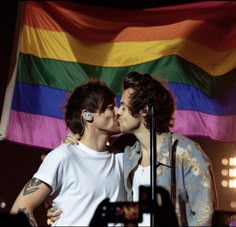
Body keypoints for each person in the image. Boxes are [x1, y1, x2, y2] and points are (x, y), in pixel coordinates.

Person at [48, 72, 217, 226]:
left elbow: (205, 217)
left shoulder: (185, 154)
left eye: (123, 106)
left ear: (144, 109)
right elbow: (89, 175)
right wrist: (76, 142)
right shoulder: (126, 154)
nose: (118, 112)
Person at [10, 79, 126, 226]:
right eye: (111, 107)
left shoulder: (124, 158)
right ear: (88, 115)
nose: (118, 112)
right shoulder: (63, 156)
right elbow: (21, 208)